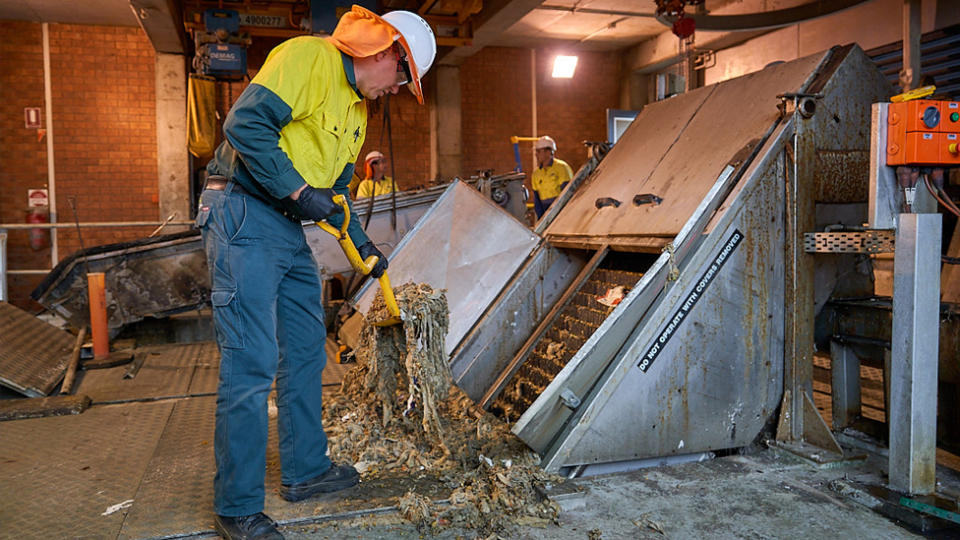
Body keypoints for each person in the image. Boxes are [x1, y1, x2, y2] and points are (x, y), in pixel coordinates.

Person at [195, 6, 436, 540]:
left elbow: (340, 199)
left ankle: (305, 471)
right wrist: (303, 194)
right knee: (252, 361)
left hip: (286, 228)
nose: (397, 89)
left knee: (305, 350)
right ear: (383, 50)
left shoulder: (357, 112)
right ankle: (236, 506)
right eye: (402, 75)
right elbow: (246, 125)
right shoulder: (309, 57)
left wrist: (364, 249)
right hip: (243, 212)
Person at [530, 135, 574, 218]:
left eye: (539, 151)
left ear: (548, 152)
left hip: (561, 211)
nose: (536, 154)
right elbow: (537, 200)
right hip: (545, 211)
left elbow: (567, 194)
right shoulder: (536, 174)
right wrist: (541, 218)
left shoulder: (562, 168)